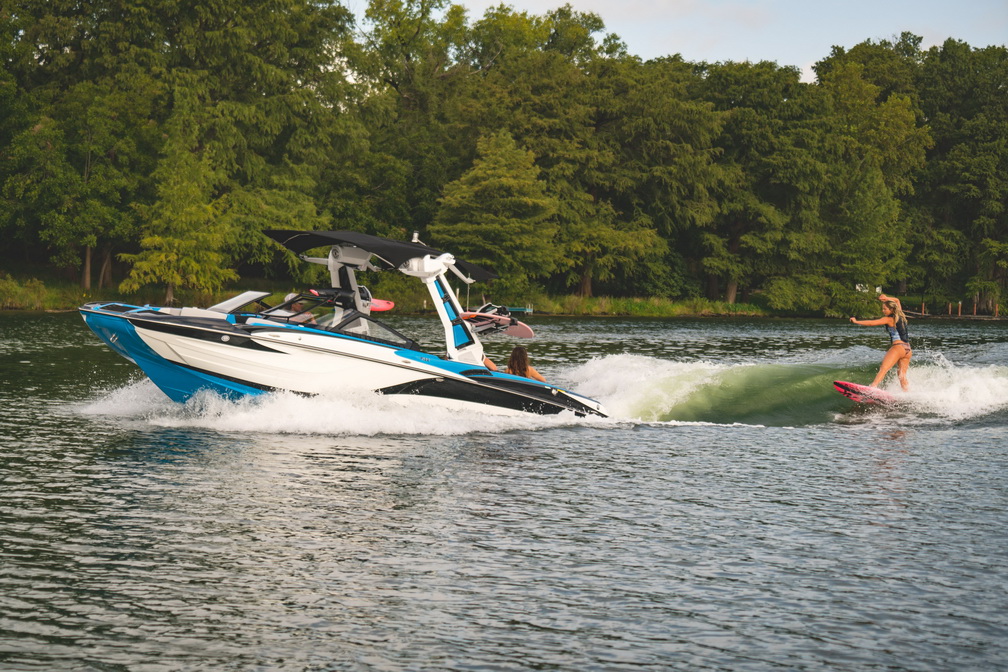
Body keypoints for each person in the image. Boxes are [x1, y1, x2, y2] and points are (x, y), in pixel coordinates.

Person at [849, 293, 911, 390]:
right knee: (901, 375)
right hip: (907, 349)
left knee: (884, 368)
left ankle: (873, 387)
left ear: (891, 309)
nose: (883, 311)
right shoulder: (900, 315)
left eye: (885, 309)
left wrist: (856, 321)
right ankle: (907, 393)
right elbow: (897, 300)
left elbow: (871, 323)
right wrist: (886, 298)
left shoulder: (889, 319)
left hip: (898, 347)